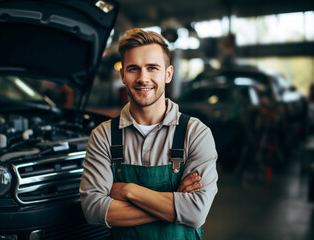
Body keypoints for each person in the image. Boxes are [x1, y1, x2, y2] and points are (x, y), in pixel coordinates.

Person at [79, 28, 218, 239]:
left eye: (152, 68)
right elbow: (94, 210)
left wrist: (127, 191)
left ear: (168, 74)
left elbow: (196, 213)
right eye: (134, 68)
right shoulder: (104, 135)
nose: (143, 78)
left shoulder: (196, 133)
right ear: (123, 75)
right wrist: (175, 201)